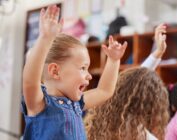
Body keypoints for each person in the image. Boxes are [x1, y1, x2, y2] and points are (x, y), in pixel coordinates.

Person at [22, 5, 126, 140]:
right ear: (55, 71)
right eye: (83, 68)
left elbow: (105, 91)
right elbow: (30, 81)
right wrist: (45, 38)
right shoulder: (40, 104)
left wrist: (113, 61)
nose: (89, 75)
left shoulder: (76, 104)